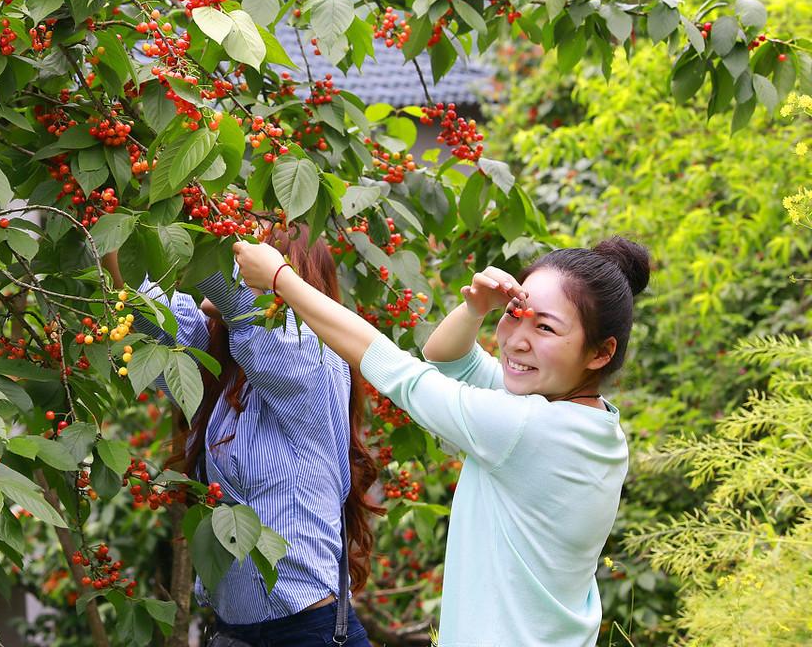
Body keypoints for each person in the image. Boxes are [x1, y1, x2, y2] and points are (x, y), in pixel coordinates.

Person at [232, 235, 651, 647]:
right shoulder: (592, 424)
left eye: (544, 327)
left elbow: (403, 374)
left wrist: (282, 280)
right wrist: (474, 310)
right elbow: (449, 359)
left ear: (600, 352)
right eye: (515, 314)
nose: (518, 340)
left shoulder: (529, 426)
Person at [101, 228, 377, 646]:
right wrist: (111, 216)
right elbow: (150, 314)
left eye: (253, 254)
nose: (237, 255)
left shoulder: (316, 358)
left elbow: (247, 308)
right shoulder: (224, 368)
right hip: (236, 635)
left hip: (307, 634)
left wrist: (209, 224)